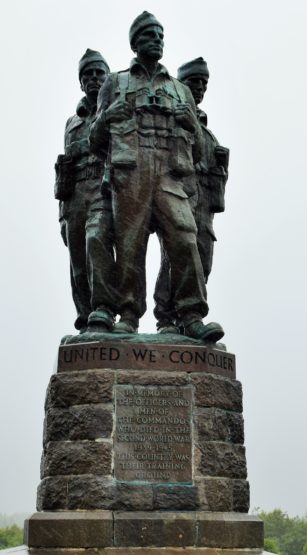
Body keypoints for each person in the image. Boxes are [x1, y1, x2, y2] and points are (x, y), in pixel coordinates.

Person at [89, 11, 224, 343]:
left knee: (185, 238)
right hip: (131, 171)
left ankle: (190, 315)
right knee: (130, 244)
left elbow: (199, 152)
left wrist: (191, 124)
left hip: (169, 172)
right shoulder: (116, 83)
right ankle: (128, 315)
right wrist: (107, 117)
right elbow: (95, 141)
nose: (157, 41)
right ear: (135, 43)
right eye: (150, 36)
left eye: (161, 36)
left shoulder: (181, 90)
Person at [153, 57, 229, 333]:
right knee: (176, 256)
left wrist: (222, 165)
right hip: (178, 195)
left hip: (204, 205)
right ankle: (168, 316)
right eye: (194, 82)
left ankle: (187, 319)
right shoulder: (172, 117)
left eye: (204, 83)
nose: (200, 88)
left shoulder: (206, 131)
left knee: (201, 260)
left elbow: (213, 174)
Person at [55, 49, 112, 332]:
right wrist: (62, 216)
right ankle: (86, 314)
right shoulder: (72, 123)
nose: (93, 78)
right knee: (77, 260)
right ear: (80, 82)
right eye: (87, 74)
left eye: (98, 73)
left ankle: (103, 309)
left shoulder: (115, 112)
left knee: (96, 241)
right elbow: (64, 167)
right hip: (75, 195)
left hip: (104, 190)